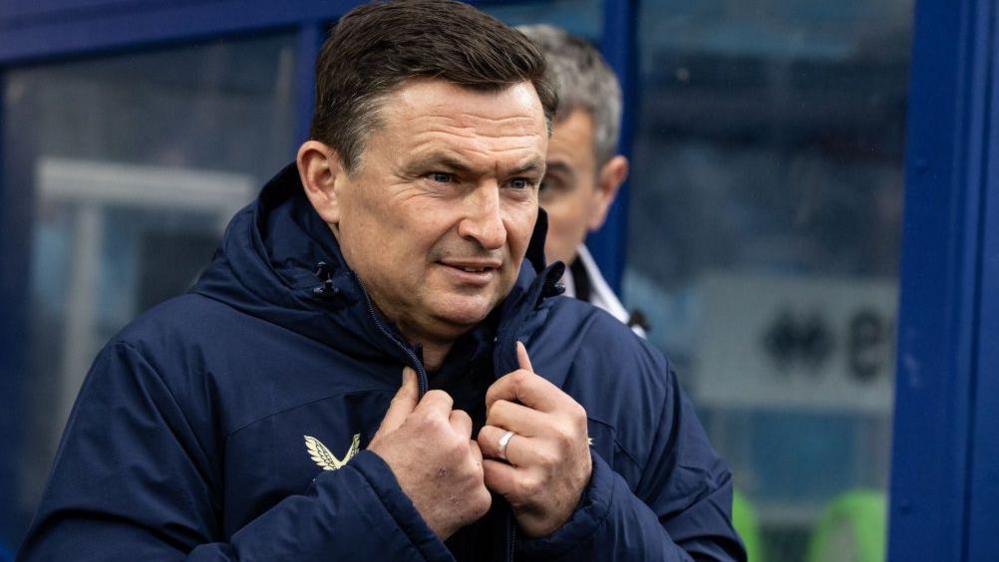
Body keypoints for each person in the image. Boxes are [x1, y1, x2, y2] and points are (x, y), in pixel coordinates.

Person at [18, 2, 744, 561]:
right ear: (326, 181)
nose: (490, 228)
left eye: (520, 183)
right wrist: (375, 514)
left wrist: (588, 511)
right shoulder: (171, 369)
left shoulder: (618, 370)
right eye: (441, 177)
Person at [517, 24, 645, 335]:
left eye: (545, 185)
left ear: (604, 191)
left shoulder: (631, 373)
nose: (501, 224)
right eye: (514, 182)